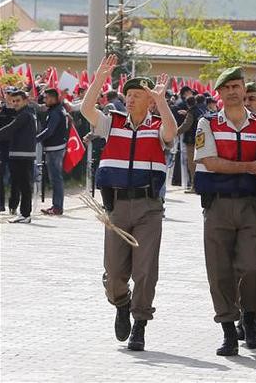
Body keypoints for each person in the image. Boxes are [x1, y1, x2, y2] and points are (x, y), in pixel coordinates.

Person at [80, 55, 177, 351]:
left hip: (149, 207)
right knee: (114, 274)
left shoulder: (158, 126)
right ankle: (121, 303)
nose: (132, 100)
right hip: (117, 206)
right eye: (129, 95)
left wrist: (162, 102)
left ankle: (140, 325)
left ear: (150, 101)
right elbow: (86, 109)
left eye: (139, 96)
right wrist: (99, 79)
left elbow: (172, 132)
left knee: (146, 270)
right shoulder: (113, 123)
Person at [194, 66, 256, 356]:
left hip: (253, 205)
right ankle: (228, 329)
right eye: (225, 88)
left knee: (254, 267)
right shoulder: (208, 123)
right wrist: (250, 167)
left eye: (236, 86)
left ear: (244, 90)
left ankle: (251, 318)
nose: (231, 92)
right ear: (219, 92)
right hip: (217, 205)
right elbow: (210, 162)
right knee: (219, 270)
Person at [0, 89, 37, 223]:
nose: (15, 103)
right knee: (23, 185)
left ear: (25, 101)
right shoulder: (26, 114)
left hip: (22, 155)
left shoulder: (25, 115)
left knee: (24, 186)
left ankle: (25, 214)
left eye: (18, 101)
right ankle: (24, 214)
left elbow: (10, 129)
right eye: (13, 101)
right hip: (21, 155)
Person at [36, 88, 68, 216]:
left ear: (53, 98)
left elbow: (49, 130)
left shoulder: (56, 112)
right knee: (56, 178)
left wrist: (35, 139)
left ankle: (57, 207)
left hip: (55, 149)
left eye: (46, 97)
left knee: (56, 179)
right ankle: (57, 206)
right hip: (57, 148)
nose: (44, 100)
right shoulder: (58, 109)